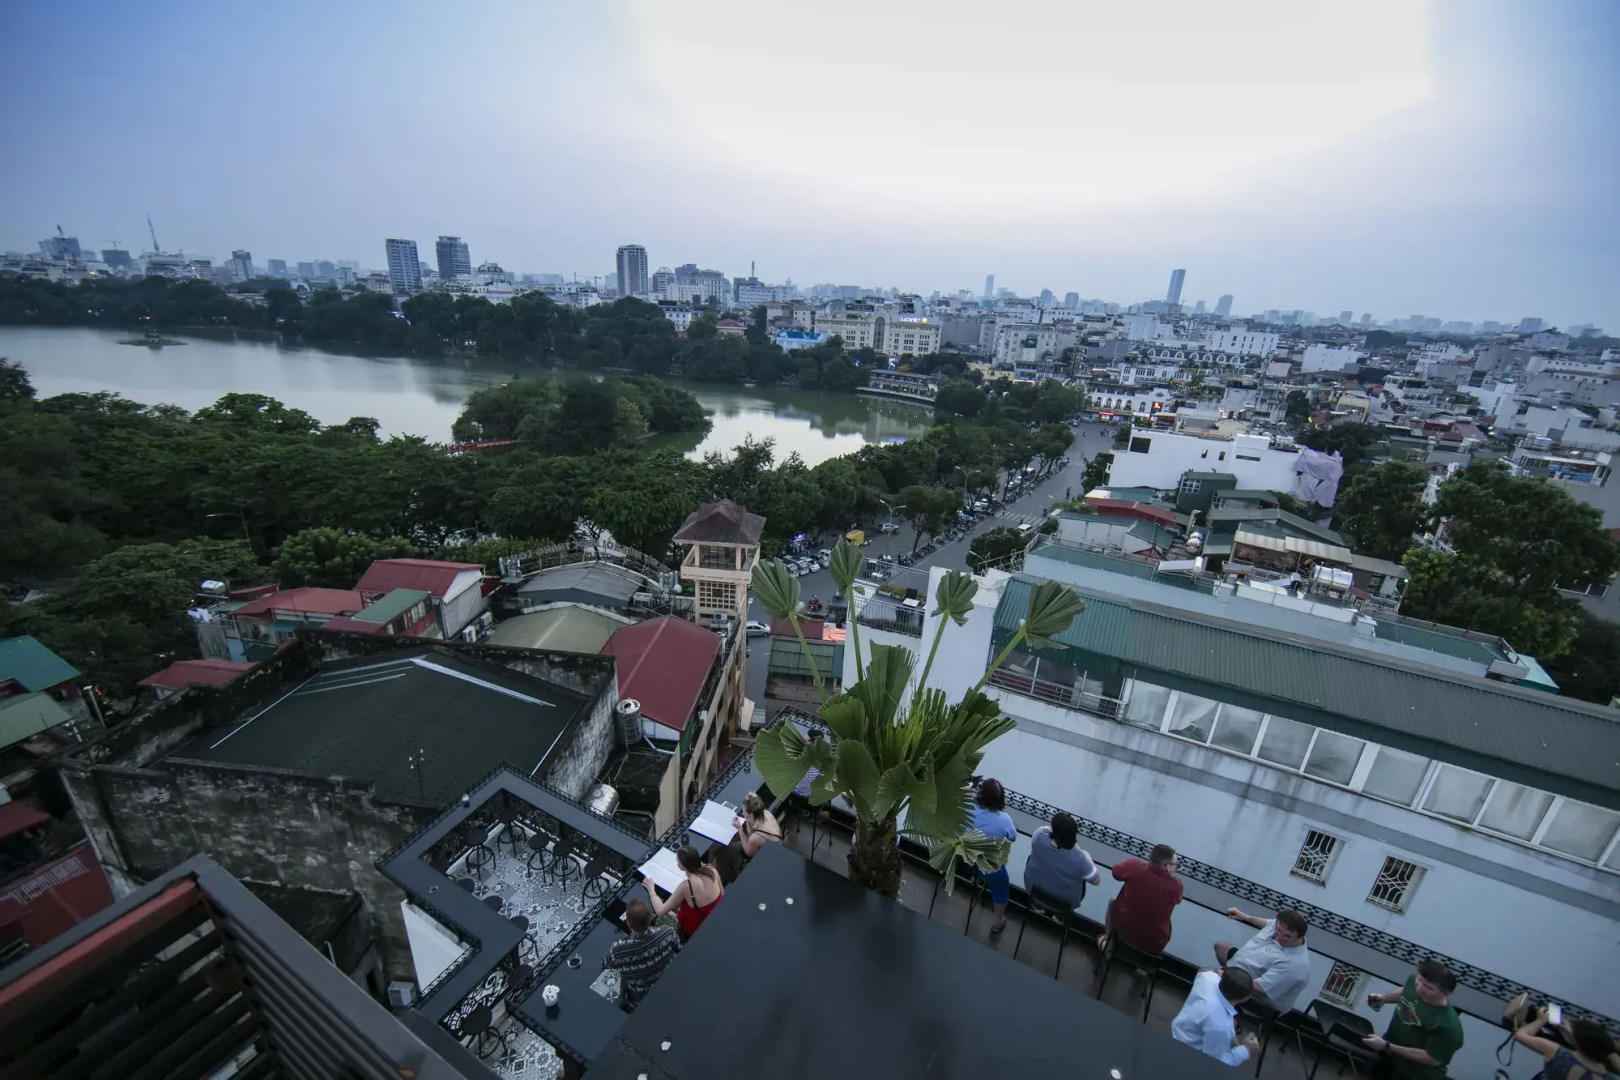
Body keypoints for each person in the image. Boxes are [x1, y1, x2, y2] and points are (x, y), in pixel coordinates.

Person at [1362, 960, 1465, 1079]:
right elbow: (1406, 990)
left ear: (1445, 993)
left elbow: (1432, 1059)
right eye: (1419, 980)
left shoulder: (1448, 1027)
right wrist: (1384, 998)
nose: (1419, 987)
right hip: (1388, 1054)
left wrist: (1387, 1046)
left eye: (1428, 987)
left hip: (1414, 1073)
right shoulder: (1413, 981)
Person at [1214, 907, 1312, 1012]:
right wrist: (1244, 917)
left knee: (1209, 978)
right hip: (1247, 966)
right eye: (1278, 929)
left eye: (1287, 936)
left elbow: (1261, 987)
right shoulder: (1280, 926)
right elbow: (1268, 923)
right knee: (1220, 946)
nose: (1279, 936)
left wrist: (1227, 976)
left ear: (1299, 937)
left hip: (1258, 999)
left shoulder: (1295, 965)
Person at [1099, 843, 1183, 955]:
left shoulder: (1135, 867)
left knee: (1113, 901)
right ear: (1167, 867)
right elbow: (1177, 899)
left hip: (1123, 930)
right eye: (1174, 865)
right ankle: (1144, 962)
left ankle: (1109, 946)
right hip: (1154, 942)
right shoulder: (1176, 886)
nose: (1175, 868)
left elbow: (1115, 872)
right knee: (1166, 922)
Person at [1171, 967, 1261, 1067]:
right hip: (1187, 1057)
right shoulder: (1222, 1026)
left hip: (1177, 1033)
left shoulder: (1207, 977)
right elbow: (1213, 1063)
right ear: (1245, 998)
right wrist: (1246, 1050)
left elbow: (1202, 970)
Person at [601, 898, 680, 1010]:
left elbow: (606, 965)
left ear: (628, 923)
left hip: (640, 1002)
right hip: (670, 984)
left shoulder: (617, 951)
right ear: (651, 917)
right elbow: (679, 949)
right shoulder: (668, 933)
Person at [1022, 811, 1100, 910]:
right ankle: (1060, 916)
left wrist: (1062, 828)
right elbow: (1096, 881)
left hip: (1034, 892)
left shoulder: (1040, 836)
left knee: (1033, 857)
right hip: (1063, 906)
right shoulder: (1080, 859)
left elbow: (1047, 830)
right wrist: (1086, 855)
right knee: (1083, 877)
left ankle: (1037, 906)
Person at [642, 845, 723, 939]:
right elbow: (722, 893)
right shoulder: (712, 870)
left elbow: (660, 911)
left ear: (682, 866)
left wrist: (651, 889)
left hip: (697, 927)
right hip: (716, 916)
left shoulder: (686, 886)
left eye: (678, 862)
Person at [970, 778, 1017, 934]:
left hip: (966, 858)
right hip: (989, 865)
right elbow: (1012, 837)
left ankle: (975, 877)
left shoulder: (969, 809)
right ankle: (998, 921)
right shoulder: (1004, 820)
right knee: (1001, 885)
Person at [1511, 1011, 1618, 1080]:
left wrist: (1541, 1020)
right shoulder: (1610, 1078)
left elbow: (1520, 1035)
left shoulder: (1557, 1053)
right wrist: (1568, 1032)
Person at [732, 792, 782, 860]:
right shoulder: (767, 813)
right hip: (778, 847)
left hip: (770, 857)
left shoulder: (755, 837)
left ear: (750, 815)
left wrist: (740, 829)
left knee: (732, 847)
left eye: (744, 812)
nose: (743, 814)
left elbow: (748, 853)